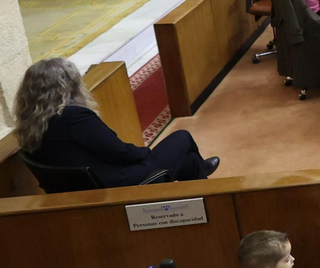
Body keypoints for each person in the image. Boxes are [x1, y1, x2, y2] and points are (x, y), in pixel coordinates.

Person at [15, 57, 218, 188]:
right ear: (70, 86)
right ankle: (206, 186)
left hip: (87, 184)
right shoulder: (75, 118)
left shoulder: (33, 123)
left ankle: (199, 172)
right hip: (117, 184)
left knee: (189, 162)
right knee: (182, 138)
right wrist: (147, 154)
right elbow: (119, 152)